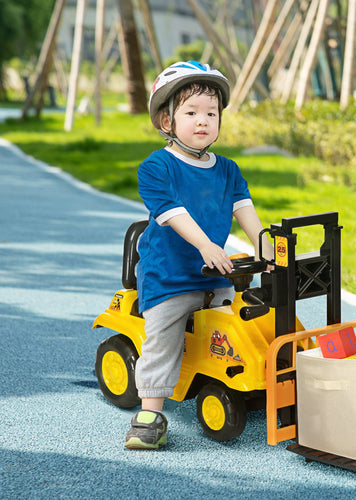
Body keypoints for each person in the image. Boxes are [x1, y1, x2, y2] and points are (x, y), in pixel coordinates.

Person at [125, 61, 273, 449]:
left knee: (249, 324)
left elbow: (248, 218)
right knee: (163, 337)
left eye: (211, 113)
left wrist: (268, 249)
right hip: (169, 277)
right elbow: (174, 213)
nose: (203, 120)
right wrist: (207, 244)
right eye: (191, 113)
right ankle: (150, 414)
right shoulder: (157, 167)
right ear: (167, 121)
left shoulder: (228, 170)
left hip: (214, 276)